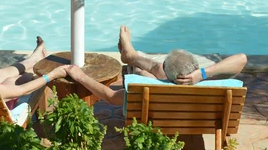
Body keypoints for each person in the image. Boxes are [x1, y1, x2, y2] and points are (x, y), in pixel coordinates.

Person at [61, 25, 247, 107]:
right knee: (148, 70)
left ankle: (132, 56)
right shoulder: (211, 87)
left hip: (157, 107)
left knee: (145, 71)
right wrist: (204, 73)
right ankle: (132, 56)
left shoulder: (144, 90)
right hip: (192, 113)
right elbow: (242, 58)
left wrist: (80, 76)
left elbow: (109, 96)